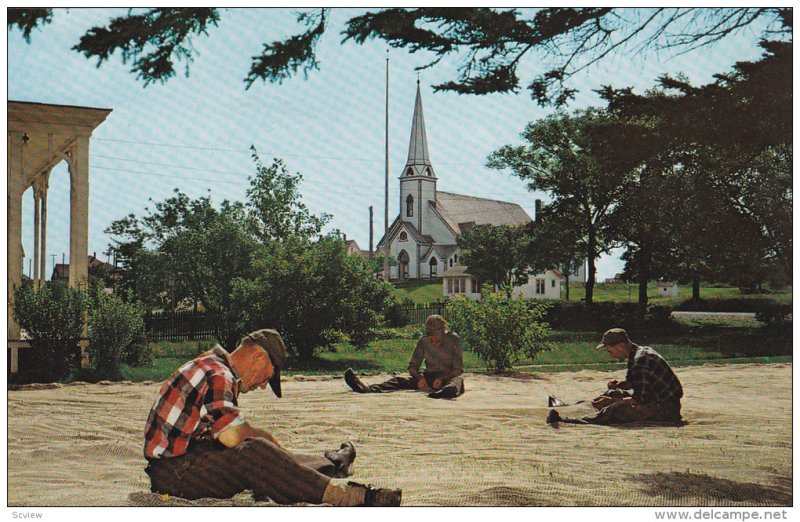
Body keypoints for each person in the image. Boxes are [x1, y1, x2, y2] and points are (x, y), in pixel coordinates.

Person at [143, 328, 401, 506]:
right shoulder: (218, 374)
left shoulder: (211, 364)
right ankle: (348, 495)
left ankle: (331, 463)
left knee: (267, 458)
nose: (263, 385)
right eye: (268, 377)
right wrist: (267, 442)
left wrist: (269, 448)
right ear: (258, 356)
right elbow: (232, 437)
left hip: (185, 462)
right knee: (256, 452)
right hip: (174, 474)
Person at [547, 328, 683, 425]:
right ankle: (574, 407)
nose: (610, 355)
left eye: (609, 350)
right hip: (656, 401)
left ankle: (569, 420)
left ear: (620, 346)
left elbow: (640, 399)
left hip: (665, 409)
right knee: (612, 393)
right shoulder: (638, 353)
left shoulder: (640, 361)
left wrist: (612, 402)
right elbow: (633, 383)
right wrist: (618, 386)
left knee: (616, 409)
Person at [344, 315, 465, 399]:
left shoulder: (453, 339)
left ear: (443, 331)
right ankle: (367, 388)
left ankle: (444, 393)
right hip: (429, 377)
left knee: (456, 383)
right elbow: (412, 367)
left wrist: (443, 378)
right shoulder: (423, 341)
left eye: (435, 337)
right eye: (430, 338)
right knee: (399, 380)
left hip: (448, 377)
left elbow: (459, 369)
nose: (432, 341)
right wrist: (419, 378)